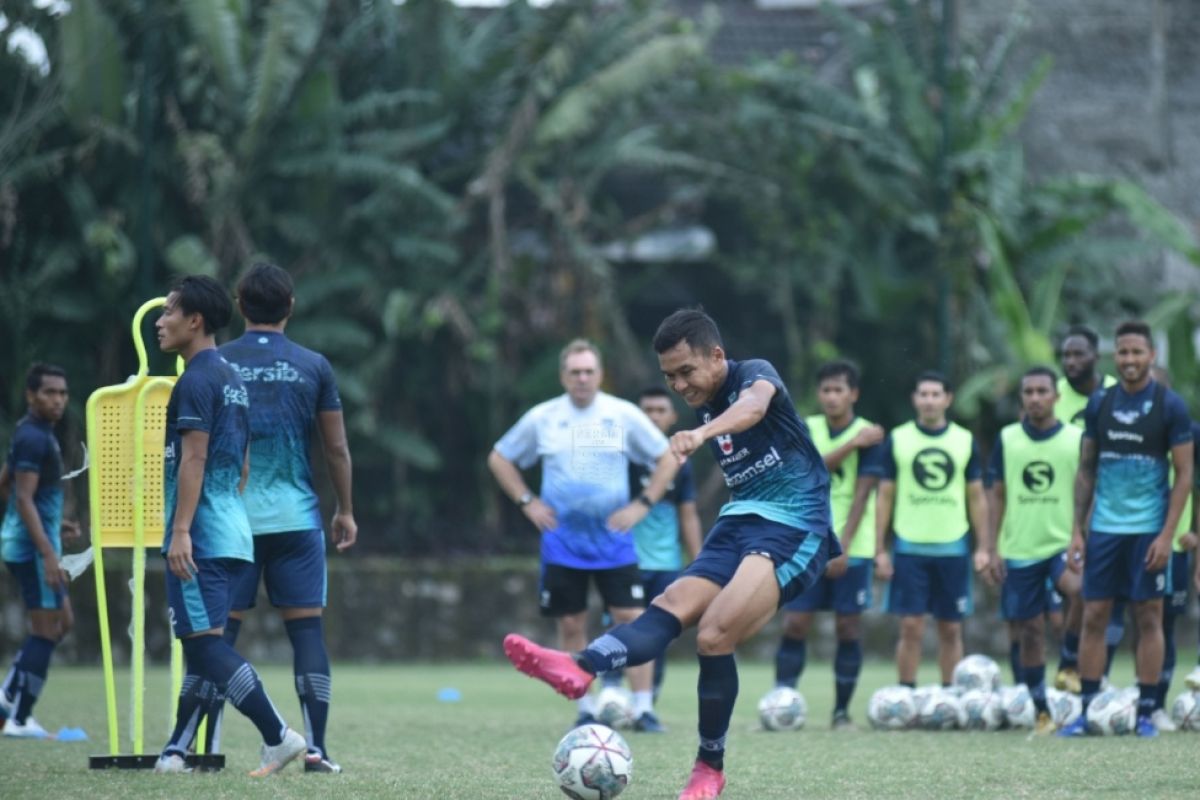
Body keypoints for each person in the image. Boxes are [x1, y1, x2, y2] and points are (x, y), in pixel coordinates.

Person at [503, 309, 836, 800]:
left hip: (794, 523)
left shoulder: (753, 375)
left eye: (686, 371)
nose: (679, 385)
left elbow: (754, 409)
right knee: (669, 604)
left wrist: (700, 434)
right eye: (668, 376)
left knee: (715, 633)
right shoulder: (703, 401)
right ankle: (582, 664)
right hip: (739, 520)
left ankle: (709, 767)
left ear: (717, 356)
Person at [188, 262, 356, 772]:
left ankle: (204, 748)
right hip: (296, 519)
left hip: (228, 522)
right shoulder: (314, 365)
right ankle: (318, 750)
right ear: (291, 306)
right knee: (307, 635)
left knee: (219, 640)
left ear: (239, 306)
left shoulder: (214, 362)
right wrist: (345, 509)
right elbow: (337, 447)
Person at [152, 275, 307, 774]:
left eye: (170, 311)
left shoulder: (195, 379)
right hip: (233, 530)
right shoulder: (231, 378)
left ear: (194, 321)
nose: (161, 320)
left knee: (205, 648)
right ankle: (176, 750)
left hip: (201, 536)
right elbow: (241, 464)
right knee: (205, 649)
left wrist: (180, 532)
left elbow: (193, 459)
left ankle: (277, 734)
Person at [488, 339, 679, 732]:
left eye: (589, 371)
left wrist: (642, 504)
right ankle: (585, 709)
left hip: (614, 540)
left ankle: (643, 708)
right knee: (572, 623)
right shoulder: (543, 417)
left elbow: (666, 457)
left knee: (633, 621)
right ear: (563, 376)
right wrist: (527, 501)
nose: (582, 378)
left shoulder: (621, 414)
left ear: (600, 374)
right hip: (563, 542)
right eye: (575, 371)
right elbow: (499, 457)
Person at [1058, 320, 1193, 738]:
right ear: (1113, 357)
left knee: (1148, 616)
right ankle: (1087, 709)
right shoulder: (1101, 404)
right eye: (1123, 352)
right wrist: (1077, 531)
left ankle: (1148, 711)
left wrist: (1167, 535)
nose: (1130, 360)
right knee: (1094, 614)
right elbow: (1086, 471)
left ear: (1151, 356)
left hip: (1148, 531)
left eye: (1137, 352)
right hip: (1104, 531)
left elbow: (1185, 475)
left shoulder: (1170, 406)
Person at [772, 360, 883, 729]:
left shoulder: (871, 434)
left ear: (854, 394)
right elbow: (811, 471)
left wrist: (843, 545)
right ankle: (781, 704)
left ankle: (841, 713)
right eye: (826, 390)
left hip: (853, 546)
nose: (832, 397)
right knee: (795, 623)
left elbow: (863, 494)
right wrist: (852, 444)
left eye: (839, 390)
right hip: (805, 542)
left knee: (848, 628)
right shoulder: (807, 427)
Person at [981, 366, 1083, 735]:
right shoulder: (1008, 439)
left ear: (1056, 396)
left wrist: (1078, 533)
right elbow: (997, 496)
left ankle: (1069, 662)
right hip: (1020, 548)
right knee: (1030, 630)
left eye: (1043, 391)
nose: (1036, 398)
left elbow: (1083, 491)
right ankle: (1041, 712)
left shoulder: (1076, 438)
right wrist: (991, 548)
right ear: (1022, 398)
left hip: (1061, 543)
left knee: (1080, 590)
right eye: (1029, 392)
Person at [874, 371, 987, 688]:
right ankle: (905, 694)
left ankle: (950, 697)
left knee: (951, 629)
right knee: (910, 626)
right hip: (909, 547)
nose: (929, 400)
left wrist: (983, 547)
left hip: (953, 547)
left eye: (936, 394)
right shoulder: (899, 439)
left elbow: (977, 497)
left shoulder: (964, 440)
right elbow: (885, 496)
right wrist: (880, 549)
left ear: (948, 399)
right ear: (915, 399)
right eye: (923, 394)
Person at [602, 387, 703, 708]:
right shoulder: (620, 458)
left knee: (657, 635)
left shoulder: (680, 463)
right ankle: (612, 694)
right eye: (647, 410)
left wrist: (700, 562)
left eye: (661, 410)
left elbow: (688, 515)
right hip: (623, 560)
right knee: (619, 626)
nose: (654, 416)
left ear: (672, 417)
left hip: (666, 564)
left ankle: (647, 704)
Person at [0, 364, 80, 738]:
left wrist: (54, 525)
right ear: (31, 395)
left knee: (61, 623)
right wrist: (48, 552)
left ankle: (8, 705)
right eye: (50, 392)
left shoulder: (33, 432)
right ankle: (17, 718)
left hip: (33, 541)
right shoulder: (33, 437)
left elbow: (7, 484)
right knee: (47, 629)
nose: (58, 400)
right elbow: (24, 497)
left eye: (63, 393)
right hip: (32, 551)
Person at [1056, 324, 1121, 690]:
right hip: (1058, 521)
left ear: (1096, 357)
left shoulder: (1116, 394)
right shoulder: (1052, 396)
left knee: (1100, 599)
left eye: (1079, 353)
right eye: (1066, 354)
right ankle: (1064, 673)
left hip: (1109, 518)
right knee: (1070, 602)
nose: (1072, 361)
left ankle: (1093, 674)